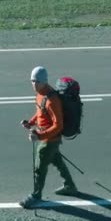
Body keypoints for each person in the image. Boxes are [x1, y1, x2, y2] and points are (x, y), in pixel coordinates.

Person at [19, 66, 78, 209]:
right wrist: (31, 123)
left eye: (36, 81)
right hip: (46, 137)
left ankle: (36, 195)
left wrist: (39, 135)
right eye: (32, 81)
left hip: (49, 140)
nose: (34, 84)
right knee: (57, 161)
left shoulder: (52, 101)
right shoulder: (40, 94)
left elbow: (58, 125)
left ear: (44, 81)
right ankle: (70, 186)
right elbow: (40, 111)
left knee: (39, 167)